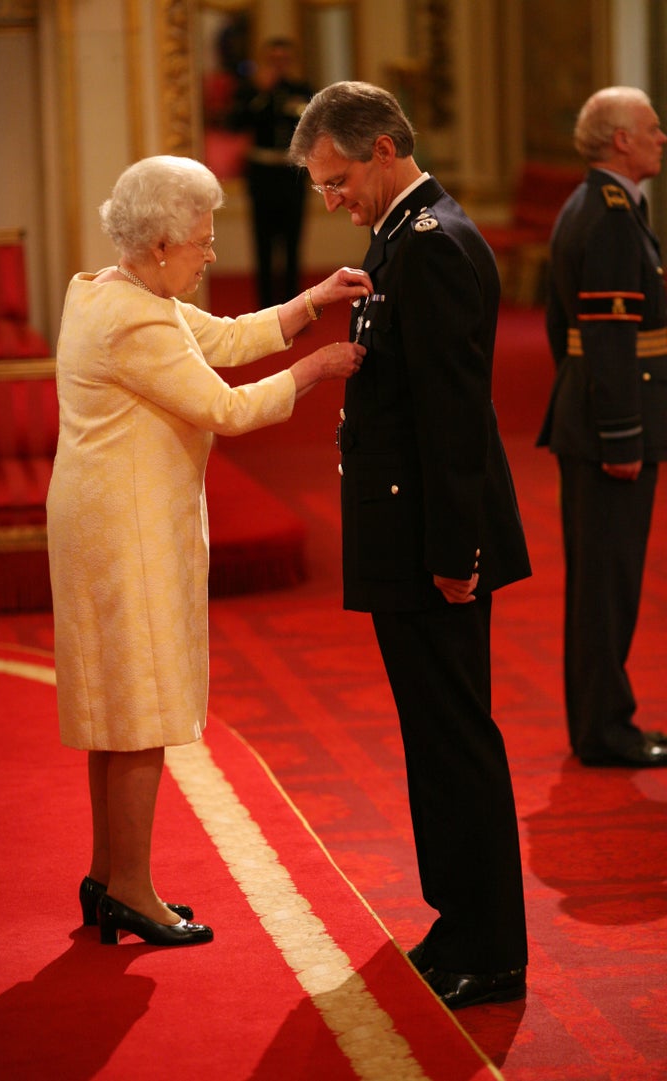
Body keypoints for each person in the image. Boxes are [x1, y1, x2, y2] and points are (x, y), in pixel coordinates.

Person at [46, 154, 370, 947]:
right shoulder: (138, 317)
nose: (213, 251)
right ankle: (131, 888)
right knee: (144, 707)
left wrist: (310, 303)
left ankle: (104, 876)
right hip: (126, 533)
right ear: (159, 245)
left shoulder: (108, 289)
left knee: (115, 709)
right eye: (201, 238)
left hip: (100, 521)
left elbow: (221, 337)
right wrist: (317, 368)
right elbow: (225, 405)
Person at [289, 82, 531, 1009]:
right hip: (412, 536)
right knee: (431, 739)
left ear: (384, 147)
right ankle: (458, 917)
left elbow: (453, 417)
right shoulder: (399, 236)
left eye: (337, 179)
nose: (332, 200)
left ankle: (493, 947)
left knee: (456, 738)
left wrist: (454, 554)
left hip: (437, 546)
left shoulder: (430, 246)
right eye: (320, 186)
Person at [537, 86, 667, 768]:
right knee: (607, 586)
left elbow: (568, 334)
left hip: (589, 419)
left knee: (600, 582)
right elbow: (609, 338)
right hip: (613, 432)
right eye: (651, 128)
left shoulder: (593, 204)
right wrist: (621, 435)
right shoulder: (612, 217)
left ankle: (599, 720)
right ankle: (606, 729)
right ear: (621, 140)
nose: (661, 137)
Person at [229, 38, 313, 306]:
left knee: (292, 242)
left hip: (292, 173)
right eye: (273, 61)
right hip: (262, 174)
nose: (278, 67)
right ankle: (266, 307)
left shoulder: (302, 90)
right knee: (262, 242)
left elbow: (314, 127)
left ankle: (294, 306)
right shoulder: (250, 92)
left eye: (283, 61)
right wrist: (261, 94)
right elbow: (234, 123)